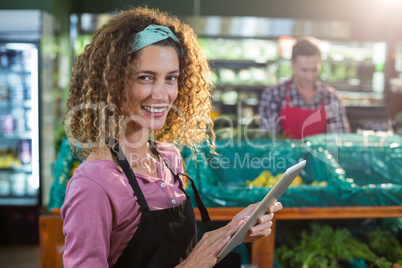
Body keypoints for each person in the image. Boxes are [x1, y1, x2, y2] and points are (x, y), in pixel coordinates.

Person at [61, 7, 282, 268]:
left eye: (171, 78)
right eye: (146, 77)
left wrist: (232, 232)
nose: (162, 94)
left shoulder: (169, 158)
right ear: (112, 82)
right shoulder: (94, 185)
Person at [258, 36, 350, 140]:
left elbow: (339, 142)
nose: (310, 76)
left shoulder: (331, 97)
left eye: (314, 70)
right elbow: (269, 141)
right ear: (292, 64)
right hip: (284, 156)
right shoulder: (274, 95)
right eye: (304, 70)